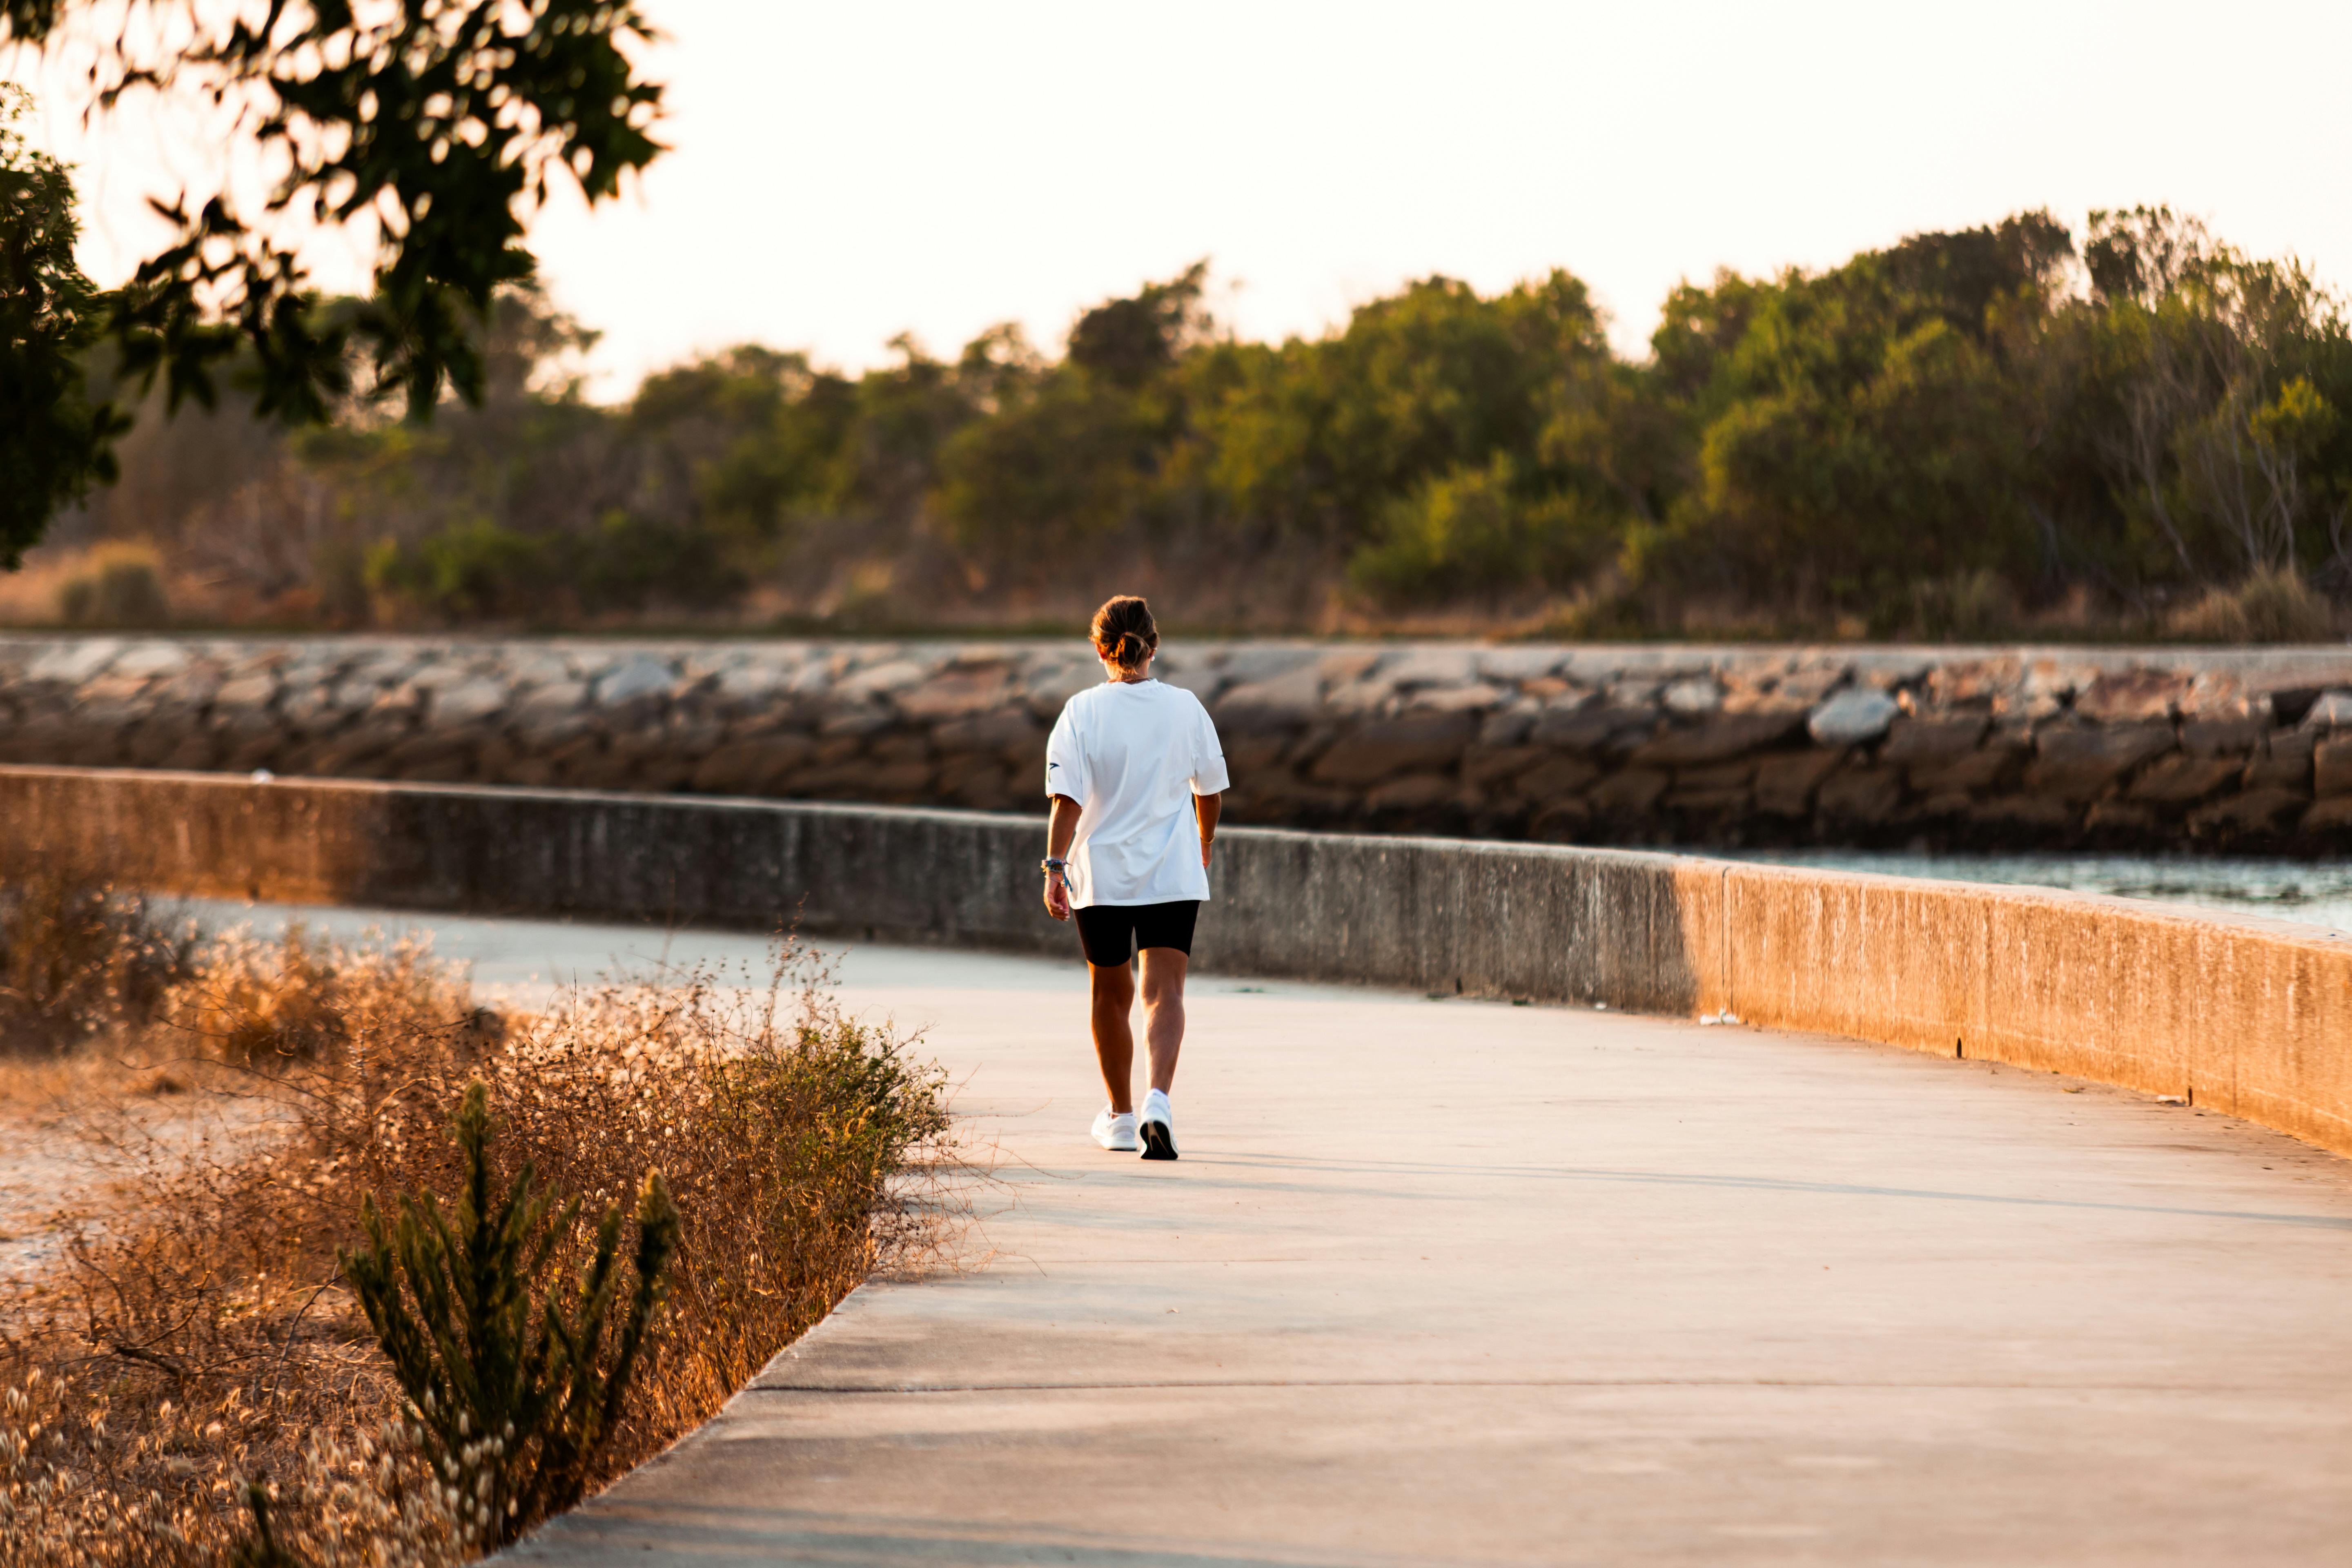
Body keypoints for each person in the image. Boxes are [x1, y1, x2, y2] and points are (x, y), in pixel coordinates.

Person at [1040, 595, 1227, 1161]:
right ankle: (1158, 1103)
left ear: (1100, 649)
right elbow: (1210, 791)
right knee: (1164, 993)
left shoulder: (1080, 711)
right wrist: (1203, 841)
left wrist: (1053, 868)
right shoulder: (1186, 706)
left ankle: (1120, 1118)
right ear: (1155, 646)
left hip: (1100, 873)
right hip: (1173, 870)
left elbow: (1067, 802)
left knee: (1110, 993)